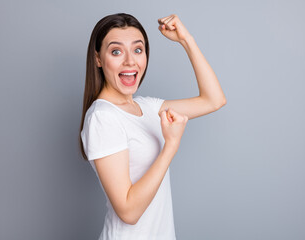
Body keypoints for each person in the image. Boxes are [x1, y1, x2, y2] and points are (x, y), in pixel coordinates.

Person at [79, 13, 226, 240]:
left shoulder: (147, 107)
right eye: (116, 51)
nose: (130, 61)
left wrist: (187, 40)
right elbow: (128, 211)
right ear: (98, 59)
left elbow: (213, 100)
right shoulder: (102, 117)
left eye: (138, 50)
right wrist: (171, 146)